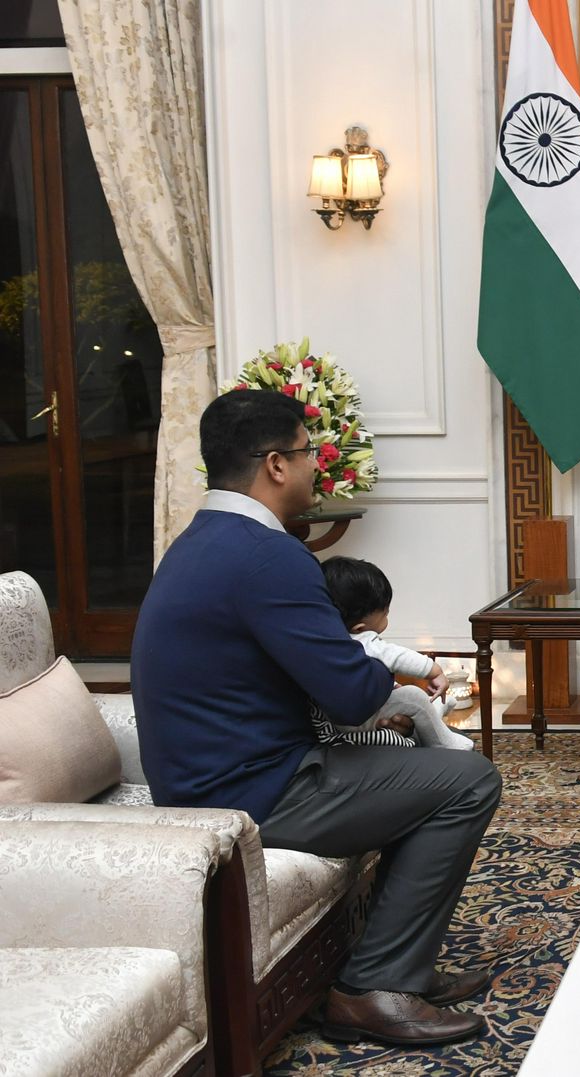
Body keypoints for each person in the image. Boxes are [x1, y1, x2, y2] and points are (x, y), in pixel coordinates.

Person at [131, 389, 502, 1047]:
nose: (315, 467)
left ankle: (401, 965)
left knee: (422, 771)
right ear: (276, 464)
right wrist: (391, 671)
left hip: (213, 777)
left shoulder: (197, 542)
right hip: (249, 794)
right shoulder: (268, 555)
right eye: (308, 454)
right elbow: (353, 695)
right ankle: (372, 988)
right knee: (469, 781)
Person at [316, 555, 475, 751]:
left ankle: (432, 710)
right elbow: (396, 656)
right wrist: (434, 670)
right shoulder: (361, 640)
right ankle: (442, 742)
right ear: (359, 627)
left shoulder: (327, 639)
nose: (387, 616)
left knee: (409, 697)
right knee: (413, 696)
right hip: (356, 725)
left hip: (343, 719)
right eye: (385, 614)